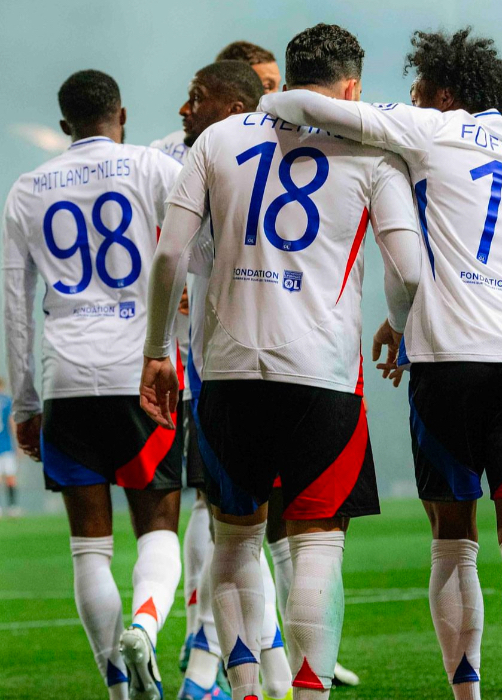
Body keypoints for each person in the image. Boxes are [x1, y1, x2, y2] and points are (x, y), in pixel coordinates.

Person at [262, 25, 502, 700]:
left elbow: (308, 105)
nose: (412, 97)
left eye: (421, 87)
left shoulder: (432, 129)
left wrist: (262, 104)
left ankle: (467, 693)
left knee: (453, 536)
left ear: (446, 93)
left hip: (447, 356)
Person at [141, 23, 421, 700]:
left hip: (228, 372)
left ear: (287, 77)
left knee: (235, 541)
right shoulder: (373, 153)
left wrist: (155, 352)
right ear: (350, 89)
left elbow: (170, 255)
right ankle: (311, 691)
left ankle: (243, 689)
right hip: (323, 375)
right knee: (316, 545)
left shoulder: (218, 139)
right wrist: (399, 324)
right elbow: (410, 271)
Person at [2, 70, 184, 700]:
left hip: (67, 377)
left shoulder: (28, 190)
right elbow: (195, 248)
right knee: (158, 528)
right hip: (143, 371)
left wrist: (24, 402)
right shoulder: (152, 168)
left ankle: (117, 690)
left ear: (64, 126)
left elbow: (14, 305)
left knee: (89, 549)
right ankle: (145, 627)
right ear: (121, 115)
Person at [172, 59, 293, 700]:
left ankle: (240, 667)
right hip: (266, 362)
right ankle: (248, 667)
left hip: (227, 366)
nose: (185, 108)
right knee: (246, 522)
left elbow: (173, 255)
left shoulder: (196, 152)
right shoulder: (205, 150)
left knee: (242, 524)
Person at [151, 41, 281, 164]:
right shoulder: (165, 153)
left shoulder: (282, 148)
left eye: (277, 86)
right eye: (267, 87)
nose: (277, 96)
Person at [0, 378, 20, 517]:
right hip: (6, 445)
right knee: (10, 477)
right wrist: (17, 443)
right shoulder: (7, 401)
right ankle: (12, 507)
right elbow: (11, 422)